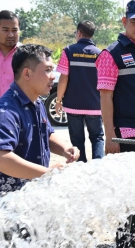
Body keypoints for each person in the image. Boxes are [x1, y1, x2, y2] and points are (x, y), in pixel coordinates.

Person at [95, 0, 135, 248]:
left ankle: (130, 238)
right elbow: (105, 96)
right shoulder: (111, 54)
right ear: (125, 21)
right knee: (126, 194)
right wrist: (110, 135)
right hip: (125, 135)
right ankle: (124, 242)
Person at [0, 44, 80, 197]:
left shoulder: (37, 103)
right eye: (47, 70)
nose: (53, 76)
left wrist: (64, 148)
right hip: (7, 206)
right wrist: (48, 173)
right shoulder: (5, 111)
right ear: (27, 73)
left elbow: (45, 134)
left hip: (31, 198)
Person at [54, 20, 104, 162]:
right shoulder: (100, 54)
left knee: (77, 140)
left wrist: (58, 100)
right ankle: (98, 167)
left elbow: (63, 78)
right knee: (97, 137)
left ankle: (81, 167)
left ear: (79, 33)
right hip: (94, 106)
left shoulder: (68, 51)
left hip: (73, 105)